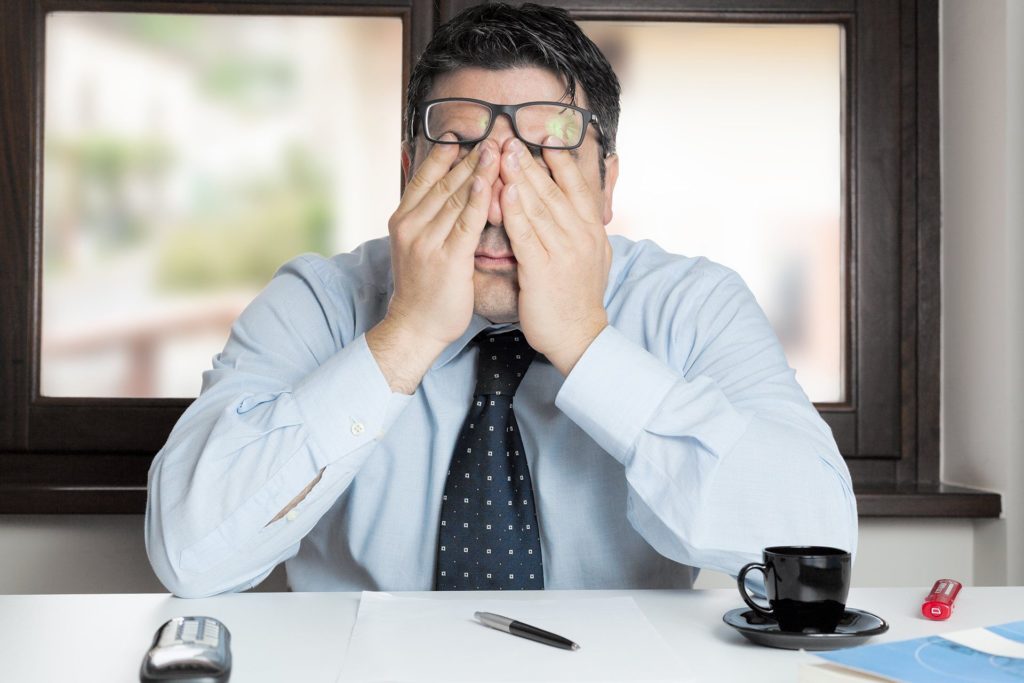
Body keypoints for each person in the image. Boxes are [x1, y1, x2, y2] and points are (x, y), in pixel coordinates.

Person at [145, 3, 857, 598]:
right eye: (458, 150)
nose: (498, 201)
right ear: (407, 173)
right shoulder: (318, 302)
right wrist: (408, 331)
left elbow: (816, 539)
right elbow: (190, 553)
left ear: (606, 184)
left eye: (545, 158)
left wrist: (585, 341)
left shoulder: (693, 305)